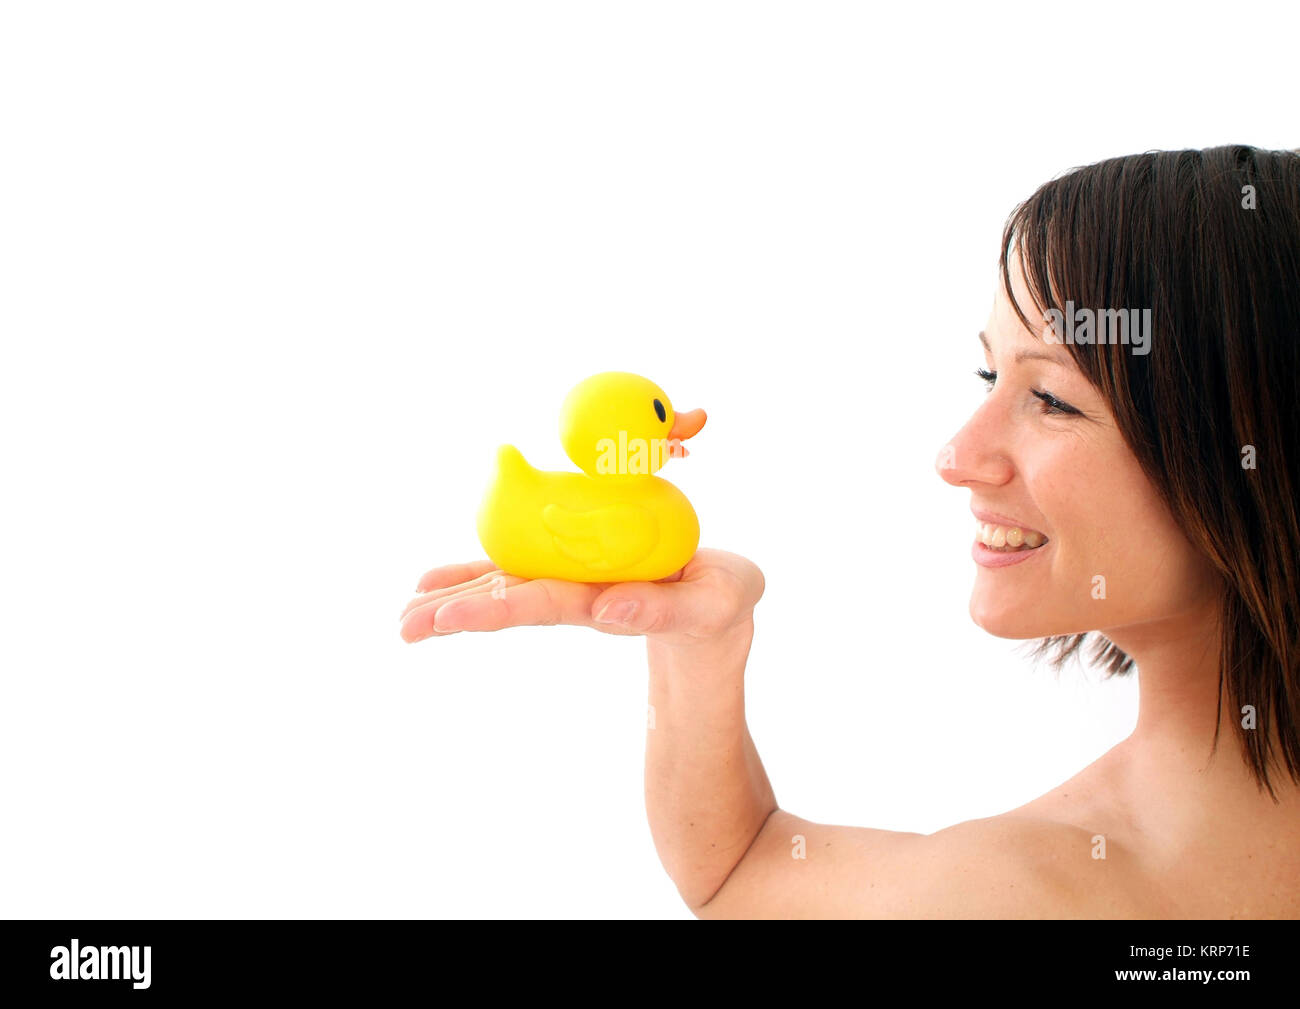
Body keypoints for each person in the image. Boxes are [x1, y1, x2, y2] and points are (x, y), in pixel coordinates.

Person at [400, 145, 1300, 919]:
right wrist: (698, 646)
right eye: (985, 374)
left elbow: (738, 878)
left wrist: (699, 648)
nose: (957, 455)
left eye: (1052, 397)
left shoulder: (1021, 891)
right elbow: (742, 869)